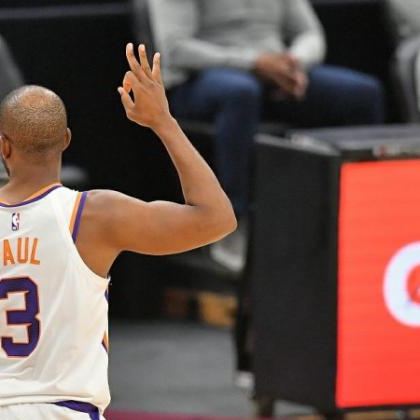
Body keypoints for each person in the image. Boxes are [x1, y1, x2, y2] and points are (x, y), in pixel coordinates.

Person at [0, 43, 236, 420]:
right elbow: (216, 218)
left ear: (3, 146)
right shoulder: (92, 215)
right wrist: (163, 123)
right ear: (65, 141)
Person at [148, 0, 385, 271]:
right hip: (201, 79)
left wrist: (294, 62)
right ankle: (229, 224)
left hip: (273, 71)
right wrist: (253, 63)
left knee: (363, 94)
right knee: (241, 92)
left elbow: (310, 33)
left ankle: (359, 215)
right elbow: (175, 49)